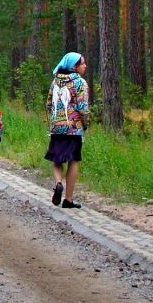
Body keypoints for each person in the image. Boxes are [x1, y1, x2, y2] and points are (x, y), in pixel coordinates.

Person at [46, 51, 90, 209]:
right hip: (74, 128)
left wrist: (54, 121)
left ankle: (58, 183)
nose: (85, 66)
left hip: (56, 128)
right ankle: (68, 199)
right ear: (74, 66)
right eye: (82, 63)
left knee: (57, 159)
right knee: (73, 160)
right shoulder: (80, 83)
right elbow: (83, 108)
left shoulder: (55, 82)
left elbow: (49, 105)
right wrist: (85, 123)